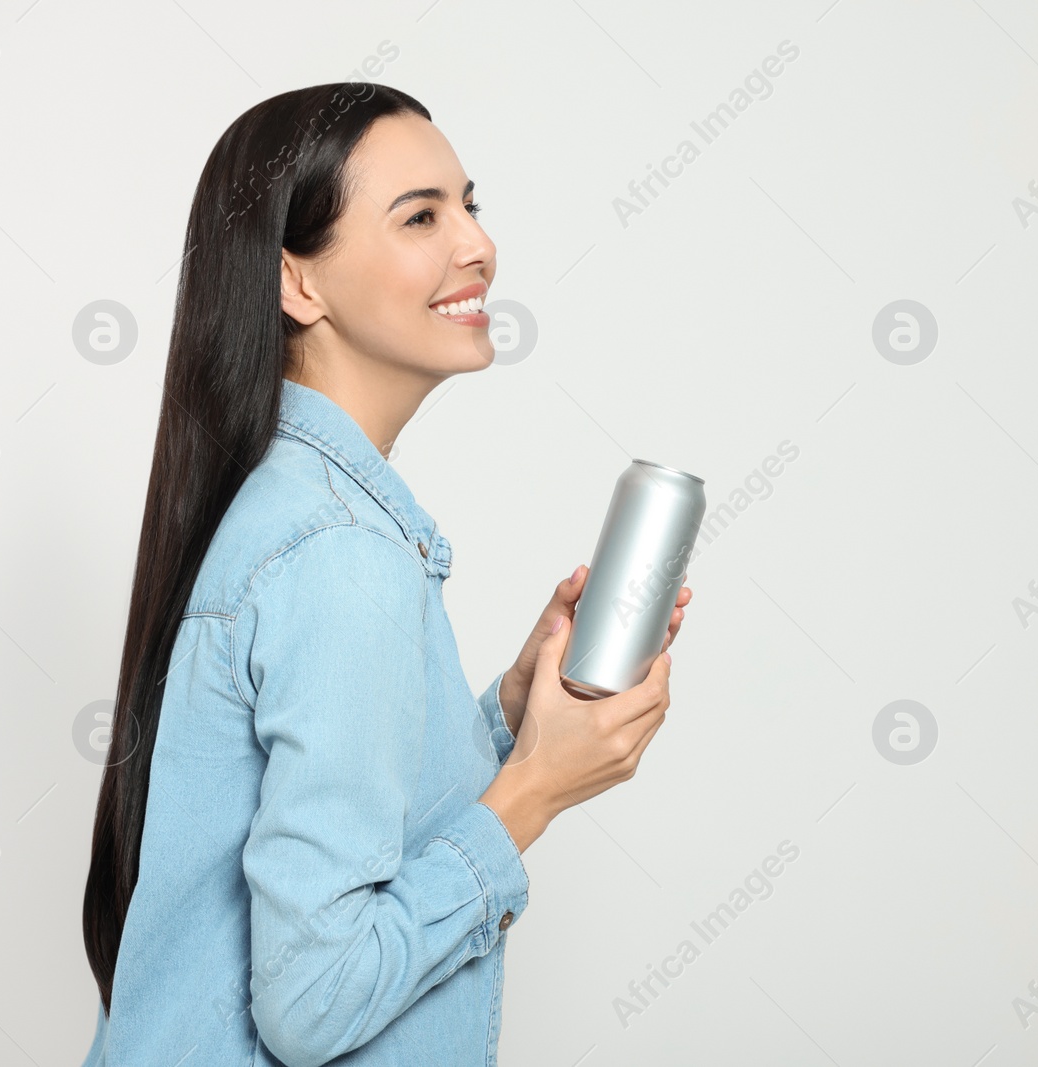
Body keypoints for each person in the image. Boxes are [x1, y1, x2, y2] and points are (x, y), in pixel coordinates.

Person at [78, 82, 689, 1066]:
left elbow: (318, 806)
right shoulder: (338, 554)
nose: (477, 245)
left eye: (469, 204)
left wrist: (507, 715)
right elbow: (313, 1002)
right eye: (420, 215)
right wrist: (533, 789)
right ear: (298, 283)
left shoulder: (288, 513)